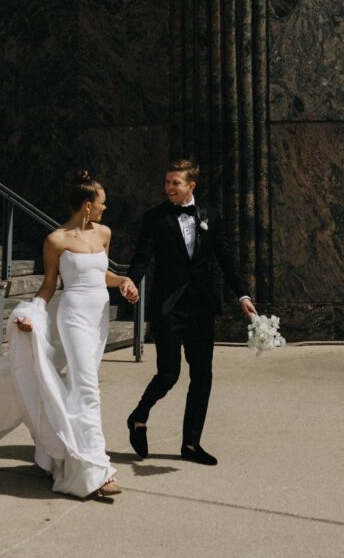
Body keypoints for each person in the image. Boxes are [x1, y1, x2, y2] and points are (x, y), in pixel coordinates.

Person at [0, 171, 138, 501]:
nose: (107, 207)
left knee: (79, 386)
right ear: (88, 205)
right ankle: (97, 468)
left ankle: (61, 456)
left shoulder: (104, 233)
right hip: (72, 317)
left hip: (97, 318)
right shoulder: (56, 240)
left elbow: (102, 276)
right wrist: (31, 314)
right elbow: (48, 287)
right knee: (88, 386)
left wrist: (125, 282)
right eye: (102, 202)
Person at [126, 159, 257, 466]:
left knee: (202, 375)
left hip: (200, 307)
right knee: (169, 373)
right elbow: (142, 256)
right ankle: (138, 416)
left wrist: (242, 294)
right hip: (168, 307)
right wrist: (131, 282)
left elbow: (227, 258)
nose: (169, 187)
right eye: (167, 182)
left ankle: (191, 444)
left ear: (191, 186)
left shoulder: (209, 216)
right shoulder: (154, 218)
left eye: (175, 183)